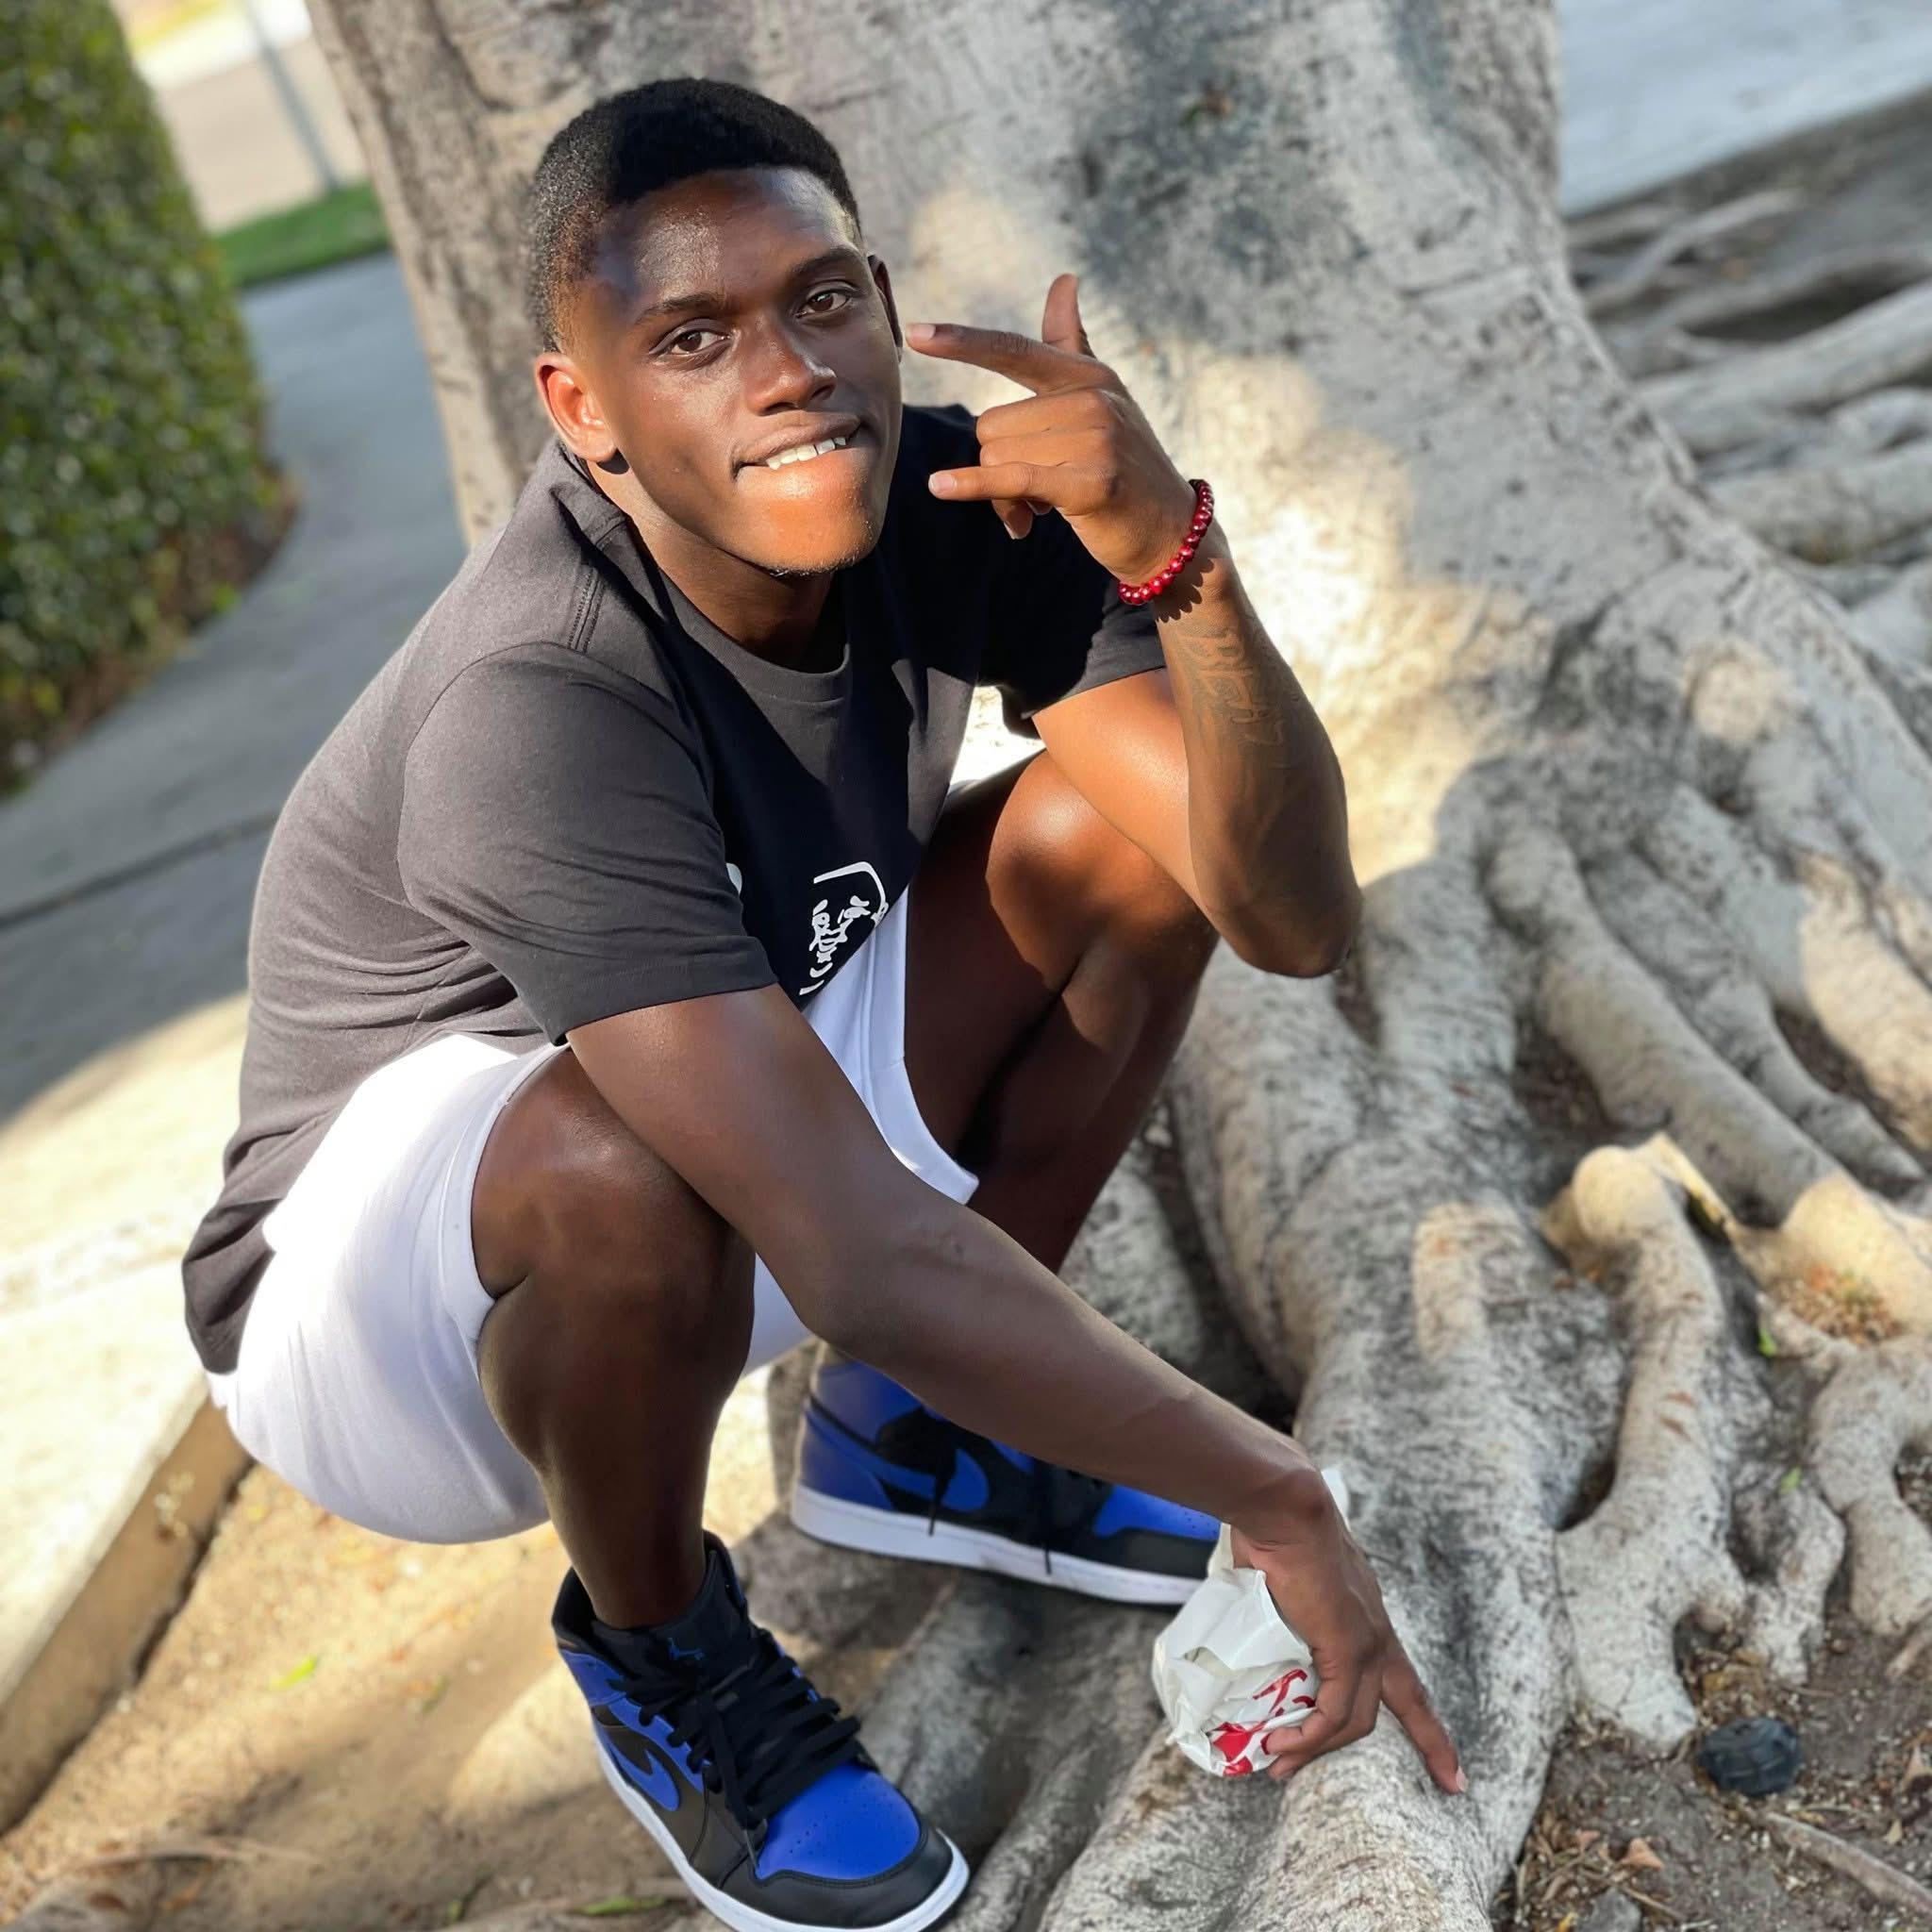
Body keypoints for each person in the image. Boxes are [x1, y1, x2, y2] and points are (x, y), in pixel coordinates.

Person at [180, 75, 1463, 1932]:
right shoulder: (530, 706)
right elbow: (853, 1245)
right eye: (690, 338)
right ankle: (666, 1652)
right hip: (375, 1318)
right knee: (629, 1164)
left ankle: (918, 1437)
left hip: (728, 1121)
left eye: (820, 299)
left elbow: (1289, 916)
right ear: (581, 409)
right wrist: (1281, 1495)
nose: (785, 375)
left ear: (880, 303)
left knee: (1114, 836)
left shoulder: (952, 500)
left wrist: (1173, 554)